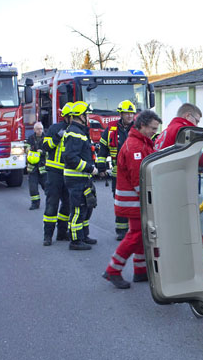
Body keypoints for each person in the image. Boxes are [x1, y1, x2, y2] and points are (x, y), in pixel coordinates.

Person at [103, 110, 162, 289]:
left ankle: (140, 271)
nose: (154, 131)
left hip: (134, 201)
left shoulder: (141, 142)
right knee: (136, 236)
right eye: (152, 128)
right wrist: (151, 200)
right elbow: (139, 180)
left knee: (141, 236)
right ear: (142, 125)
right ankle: (113, 270)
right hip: (135, 201)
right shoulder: (135, 147)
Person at [96, 100, 136, 240]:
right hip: (118, 173)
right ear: (121, 114)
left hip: (135, 171)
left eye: (132, 113)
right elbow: (102, 149)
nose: (130, 116)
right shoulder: (111, 129)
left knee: (138, 200)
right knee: (120, 201)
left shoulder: (139, 127)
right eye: (127, 113)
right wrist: (101, 166)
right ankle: (121, 231)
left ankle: (137, 229)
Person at [63, 102, 98, 251]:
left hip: (82, 177)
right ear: (81, 116)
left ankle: (83, 235)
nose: (88, 117)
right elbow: (71, 157)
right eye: (87, 115)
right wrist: (89, 167)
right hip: (76, 177)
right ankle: (76, 241)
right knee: (78, 209)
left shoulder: (80, 131)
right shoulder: (75, 132)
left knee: (85, 207)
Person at [41, 103, 73, 246]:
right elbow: (46, 146)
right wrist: (57, 138)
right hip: (54, 172)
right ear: (66, 117)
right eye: (72, 116)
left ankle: (61, 233)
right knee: (51, 204)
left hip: (70, 173)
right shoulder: (55, 128)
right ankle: (48, 235)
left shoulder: (77, 130)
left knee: (67, 204)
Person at [25, 122, 47, 210]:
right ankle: (35, 204)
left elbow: (50, 151)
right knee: (33, 188)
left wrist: (43, 152)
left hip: (43, 168)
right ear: (34, 130)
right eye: (38, 129)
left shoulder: (46, 139)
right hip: (33, 168)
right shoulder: (30, 138)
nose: (40, 130)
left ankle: (51, 203)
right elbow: (25, 148)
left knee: (47, 187)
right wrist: (27, 149)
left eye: (41, 129)